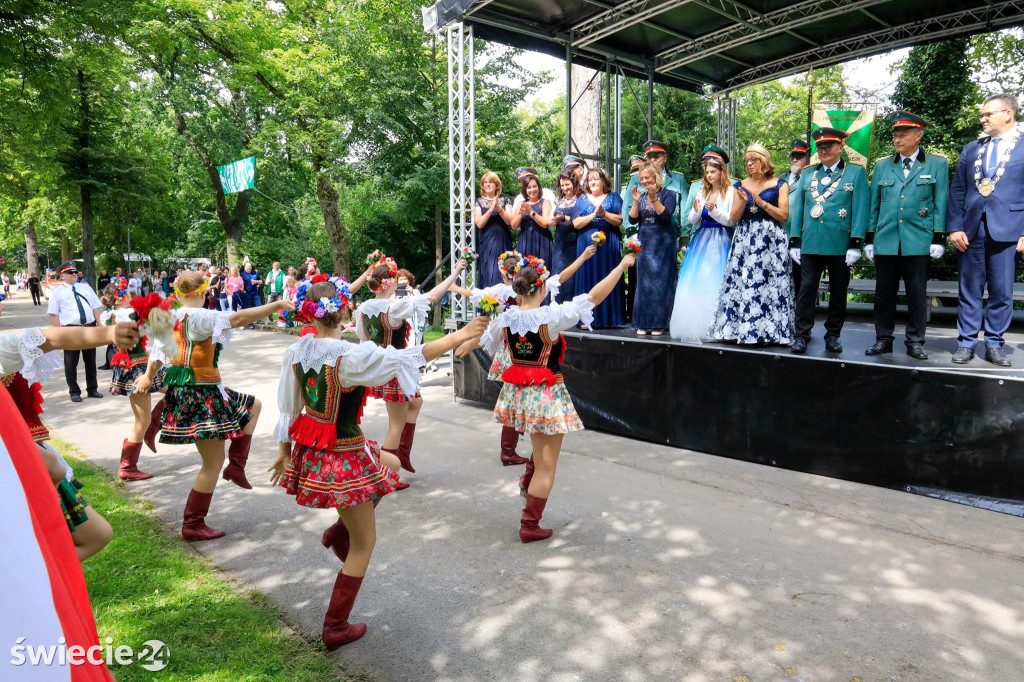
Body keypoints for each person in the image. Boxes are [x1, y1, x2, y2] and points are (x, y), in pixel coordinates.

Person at [269, 279, 489, 649]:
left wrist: (284, 452)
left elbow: (288, 407)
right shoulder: (347, 356)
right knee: (365, 543)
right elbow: (408, 358)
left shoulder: (298, 350)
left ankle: (340, 531)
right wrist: (459, 336)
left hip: (317, 449)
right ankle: (335, 626)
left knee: (391, 463)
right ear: (344, 312)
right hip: (342, 452)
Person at [458, 252, 636, 543]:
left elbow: (487, 339)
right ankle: (530, 524)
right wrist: (620, 266)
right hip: (545, 394)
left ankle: (528, 484)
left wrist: (465, 343)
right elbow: (593, 297)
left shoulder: (506, 316)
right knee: (547, 464)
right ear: (541, 287)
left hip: (519, 395)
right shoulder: (549, 317)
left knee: (540, 454)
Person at [138, 271, 294, 541]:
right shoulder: (201, 316)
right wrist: (276, 305)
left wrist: (148, 376)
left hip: (198, 388)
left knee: (253, 406)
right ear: (202, 292)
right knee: (211, 463)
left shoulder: (168, 316)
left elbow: (156, 354)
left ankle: (236, 466)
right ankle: (193, 523)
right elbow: (238, 318)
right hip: (201, 393)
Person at [1, 323, 139, 563]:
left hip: (33, 460)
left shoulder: (5, 345)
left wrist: (109, 333)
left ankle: (38, 581)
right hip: (17, 469)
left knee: (97, 534)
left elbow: (50, 338)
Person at [451, 247, 596, 467]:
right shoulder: (508, 296)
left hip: (515, 351)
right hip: (522, 354)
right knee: (520, 400)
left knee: (515, 400)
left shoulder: (501, 294)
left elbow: (475, 298)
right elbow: (561, 278)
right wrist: (583, 257)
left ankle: (514, 451)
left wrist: (451, 286)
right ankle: (517, 453)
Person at [355, 258, 466, 483]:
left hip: (380, 365)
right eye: (395, 279)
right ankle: (388, 476)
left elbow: (362, 338)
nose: (399, 283)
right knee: (395, 425)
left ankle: (402, 456)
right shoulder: (394, 307)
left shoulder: (364, 308)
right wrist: (454, 273)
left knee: (415, 402)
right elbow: (433, 296)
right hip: (395, 368)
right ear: (389, 283)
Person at [864, 111, 949, 360]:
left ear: (918, 136)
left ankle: (915, 341)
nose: (897, 139)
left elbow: (941, 202)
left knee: (916, 294)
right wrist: (869, 238)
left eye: (903, 135)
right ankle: (883, 339)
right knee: (884, 295)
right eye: (895, 135)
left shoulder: (937, 164)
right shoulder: (882, 166)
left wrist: (939, 237)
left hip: (918, 240)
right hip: (887, 239)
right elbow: (874, 205)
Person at [946, 94, 1024, 367]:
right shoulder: (972, 149)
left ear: (1008, 114)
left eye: (988, 114)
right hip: (971, 229)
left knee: (1002, 292)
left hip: (1010, 230)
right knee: (969, 289)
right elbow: (957, 190)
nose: (982, 119)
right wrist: (954, 227)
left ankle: (994, 344)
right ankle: (966, 343)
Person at [788, 127, 868, 355]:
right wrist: (795, 240)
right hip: (811, 241)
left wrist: (856, 243)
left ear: (840, 147)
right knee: (806, 291)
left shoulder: (855, 173)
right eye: (820, 147)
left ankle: (833, 335)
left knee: (838, 291)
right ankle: (801, 335)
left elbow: (860, 209)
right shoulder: (808, 173)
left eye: (828, 145)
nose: (823, 150)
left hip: (840, 244)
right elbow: (799, 209)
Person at [710, 143, 793, 345]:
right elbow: (734, 217)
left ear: (764, 161)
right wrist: (742, 201)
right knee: (744, 281)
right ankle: (740, 330)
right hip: (746, 238)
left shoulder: (780, 184)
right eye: (747, 161)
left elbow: (783, 216)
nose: (749, 164)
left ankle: (772, 332)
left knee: (771, 283)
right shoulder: (740, 185)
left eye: (753, 160)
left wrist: (762, 203)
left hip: (770, 239)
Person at [670, 146, 742, 342]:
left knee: (717, 279)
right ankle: (696, 324)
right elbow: (693, 220)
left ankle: (719, 325)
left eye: (713, 171)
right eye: (707, 172)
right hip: (701, 240)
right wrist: (695, 210)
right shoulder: (701, 191)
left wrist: (714, 211)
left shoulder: (731, 192)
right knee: (697, 280)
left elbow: (731, 220)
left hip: (722, 238)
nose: (709, 175)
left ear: (721, 171)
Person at [102, 294, 170, 481]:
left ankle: (153, 425)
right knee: (141, 420)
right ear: (121, 298)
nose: (132, 297)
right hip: (136, 369)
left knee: (177, 389)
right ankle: (127, 467)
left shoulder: (112, 315)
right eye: (127, 294)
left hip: (143, 364)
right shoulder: (127, 315)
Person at [623, 141, 688, 323]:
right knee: (643, 282)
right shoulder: (638, 178)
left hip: (667, 236)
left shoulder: (677, 180)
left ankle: (664, 320)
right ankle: (644, 320)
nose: (653, 159)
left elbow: (683, 209)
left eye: (657, 156)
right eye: (649, 156)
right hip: (644, 236)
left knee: (665, 280)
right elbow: (629, 205)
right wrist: (632, 234)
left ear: (665, 157)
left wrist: (683, 235)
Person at [573, 167, 625, 328]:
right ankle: (586, 318)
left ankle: (611, 318)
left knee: (608, 276)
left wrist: (604, 214)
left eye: (596, 179)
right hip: (586, 244)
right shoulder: (581, 199)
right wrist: (593, 215)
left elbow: (619, 220)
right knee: (587, 277)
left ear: (604, 180)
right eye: (590, 180)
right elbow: (575, 223)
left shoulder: (614, 197)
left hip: (609, 244)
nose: (593, 182)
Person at [630, 162, 678, 335]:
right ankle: (642, 321)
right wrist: (636, 203)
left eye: (647, 178)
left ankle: (659, 323)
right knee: (644, 283)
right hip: (645, 242)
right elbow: (633, 220)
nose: (643, 181)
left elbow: (665, 217)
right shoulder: (641, 196)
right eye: (641, 178)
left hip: (663, 242)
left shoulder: (669, 194)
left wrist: (653, 198)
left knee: (661, 282)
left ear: (657, 177)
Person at [47, 262, 104, 403]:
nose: (74, 274)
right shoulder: (57, 292)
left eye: (75, 272)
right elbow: (53, 315)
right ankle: (74, 391)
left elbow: (95, 308)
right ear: (62, 275)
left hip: (89, 327)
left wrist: (100, 324)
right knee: (71, 362)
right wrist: (59, 333)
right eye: (70, 273)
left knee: (90, 360)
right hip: (70, 330)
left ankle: (92, 389)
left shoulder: (85, 288)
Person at [474, 172, 514, 288]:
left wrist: (499, 208)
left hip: (503, 241)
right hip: (487, 242)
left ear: (496, 185)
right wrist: (491, 209)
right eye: (485, 182)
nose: (487, 184)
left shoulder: (505, 200)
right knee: (489, 272)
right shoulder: (479, 202)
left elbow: (511, 221)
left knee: (504, 271)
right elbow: (480, 224)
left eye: (490, 182)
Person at [551, 170, 583, 303]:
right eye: (562, 185)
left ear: (574, 183)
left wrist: (564, 218)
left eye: (567, 184)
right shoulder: (559, 200)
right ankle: (556, 306)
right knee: (558, 273)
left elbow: (580, 219)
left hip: (574, 240)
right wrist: (555, 220)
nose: (565, 188)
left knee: (572, 274)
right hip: (560, 240)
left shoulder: (581, 199)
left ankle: (571, 308)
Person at [510, 167, 554, 264]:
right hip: (525, 241)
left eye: (534, 186)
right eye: (529, 187)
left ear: (539, 187)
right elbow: (513, 226)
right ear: (525, 190)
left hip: (542, 240)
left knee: (543, 274)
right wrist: (521, 214)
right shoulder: (520, 203)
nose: (532, 190)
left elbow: (545, 224)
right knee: (525, 273)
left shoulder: (545, 202)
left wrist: (531, 213)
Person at [785, 139, 810, 298]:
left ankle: (799, 317)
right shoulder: (780, 179)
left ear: (807, 158)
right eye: (793, 156)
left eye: (799, 156)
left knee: (801, 282)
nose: (795, 159)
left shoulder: (811, 178)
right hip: (780, 236)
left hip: (801, 238)